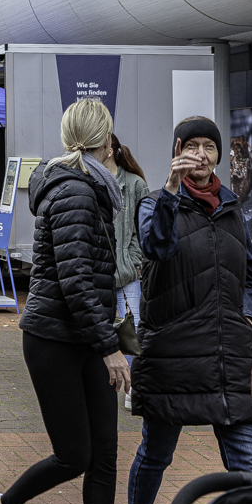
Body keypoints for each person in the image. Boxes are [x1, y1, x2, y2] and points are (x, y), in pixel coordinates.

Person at [0, 99, 145, 504]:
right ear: (106, 139)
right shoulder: (76, 190)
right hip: (55, 338)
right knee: (75, 455)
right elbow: (75, 281)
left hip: (85, 334)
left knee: (105, 454)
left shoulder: (94, 186)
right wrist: (110, 348)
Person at [122, 116, 252, 504]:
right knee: (156, 454)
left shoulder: (231, 206)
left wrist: (247, 315)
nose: (202, 155)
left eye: (210, 147)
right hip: (173, 351)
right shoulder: (155, 202)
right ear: (178, 150)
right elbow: (155, 247)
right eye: (192, 146)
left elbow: (247, 269)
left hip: (229, 351)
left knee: (246, 458)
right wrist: (169, 189)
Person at [100, 135, 149, 410]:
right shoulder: (91, 181)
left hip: (126, 273)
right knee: (101, 328)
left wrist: (131, 261)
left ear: (110, 150)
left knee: (134, 329)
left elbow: (144, 230)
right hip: (99, 273)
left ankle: (133, 388)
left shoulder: (134, 184)